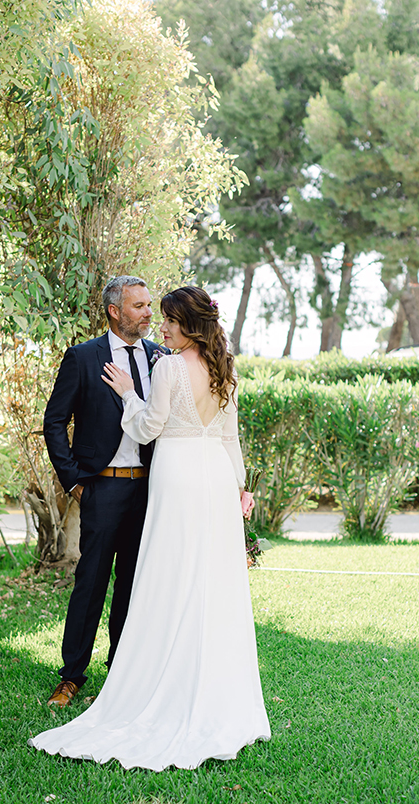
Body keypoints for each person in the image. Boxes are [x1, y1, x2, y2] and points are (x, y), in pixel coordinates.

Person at [30, 286, 271, 770]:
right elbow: (230, 439)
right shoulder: (225, 368)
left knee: (164, 578)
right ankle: (193, 682)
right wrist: (239, 491)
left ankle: (151, 675)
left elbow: (146, 429)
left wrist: (127, 394)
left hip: (176, 479)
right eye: (150, 313)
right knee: (206, 582)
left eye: (166, 319)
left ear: (187, 324)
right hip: (214, 481)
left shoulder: (166, 364)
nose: (159, 325)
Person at [42, 275, 168, 707]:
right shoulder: (82, 357)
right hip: (102, 488)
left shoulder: (161, 358)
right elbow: (54, 422)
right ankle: (71, 675)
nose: (149, 313)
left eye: (149, 305)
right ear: (115, 311)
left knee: (133, 585)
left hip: (149, 491)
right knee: (90, 584)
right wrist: (75, 481)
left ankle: (122, 673)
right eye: (140, 306)